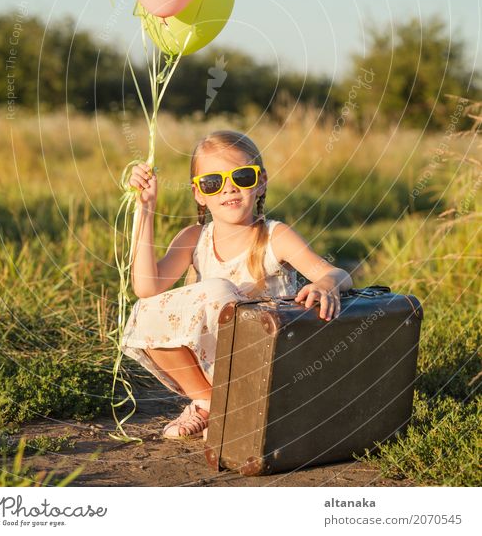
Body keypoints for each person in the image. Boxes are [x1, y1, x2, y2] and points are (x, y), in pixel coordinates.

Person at [121, 130, 353, 440]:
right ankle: (209, 401)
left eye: (242, 176)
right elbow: (146, 288)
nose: (229, 187)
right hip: (216, 370)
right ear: (199, 193)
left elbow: (339, 274)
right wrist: (145, 209)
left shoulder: (275, 236)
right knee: (147, 310)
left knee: (218, 291)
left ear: (261, 182)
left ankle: (244, 407)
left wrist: (326, 284)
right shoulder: (194, 238)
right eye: (213, 182)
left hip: (270, 365)